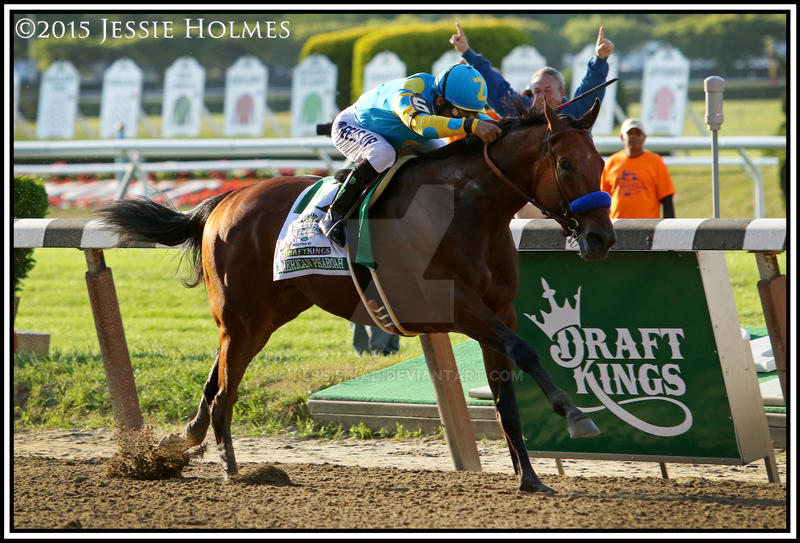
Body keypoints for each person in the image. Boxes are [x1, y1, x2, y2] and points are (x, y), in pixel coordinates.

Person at [319, 64, 503, 247]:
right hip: (352, 125)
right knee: (383, 154)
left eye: (470, 115)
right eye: (460, 114)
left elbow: (488, 121)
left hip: (395, 136)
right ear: (440, 101)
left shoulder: (447, 98)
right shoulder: (410, 91)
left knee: (441, 155)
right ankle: (334, 214)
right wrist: (470, 125)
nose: (465, 118)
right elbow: (421, 125)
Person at [449, 22, 615, 218]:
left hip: (572, 200)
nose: (541, 97)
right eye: (536, 91)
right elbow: (497, 86)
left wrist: (600, 59)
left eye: (547, 90)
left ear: (562, 92)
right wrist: (467, 52)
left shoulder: (575, 111)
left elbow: (590, 85)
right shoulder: (526, 112)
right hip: (532, 204)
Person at [600, 118, 676, 218]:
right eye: (630, 133)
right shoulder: (611, 162)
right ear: (622, 137)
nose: (634, 137)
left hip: (648, 226)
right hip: (617, 226)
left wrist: (668, 228)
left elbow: (667, 199)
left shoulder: (656, 162)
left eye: (637, 133)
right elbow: (603, 200)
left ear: (644, 137)